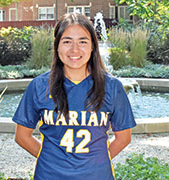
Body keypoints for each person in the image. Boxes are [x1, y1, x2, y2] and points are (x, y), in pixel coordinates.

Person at [12, 13, 136, 180]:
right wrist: (52, 161)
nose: (75, 49)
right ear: (57, 46)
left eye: (83, 41)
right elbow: (22, 136)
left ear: (93, 46)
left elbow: (124, 138)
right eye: (67, 41)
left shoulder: (112, 87)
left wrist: (94, 163)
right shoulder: (39, 86)